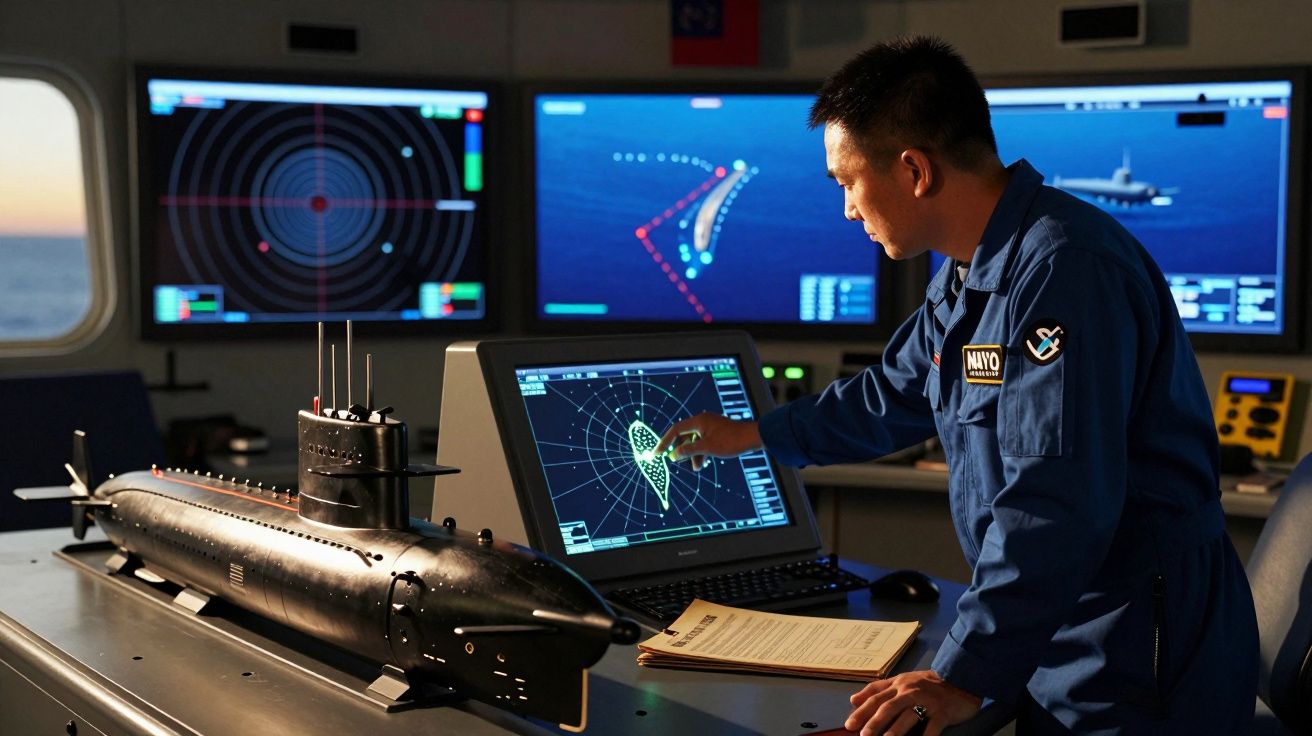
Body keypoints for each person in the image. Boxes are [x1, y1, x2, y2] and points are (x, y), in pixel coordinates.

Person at [656, 36, 1258, 736]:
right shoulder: (971, 269)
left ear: (913, 170)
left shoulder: (1065, 273)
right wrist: (756, 436)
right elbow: (894, 393)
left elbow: (1055, 503)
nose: (848, 209)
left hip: (1134, 643)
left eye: (847, 182)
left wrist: (961, 673)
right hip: (1060, 629)